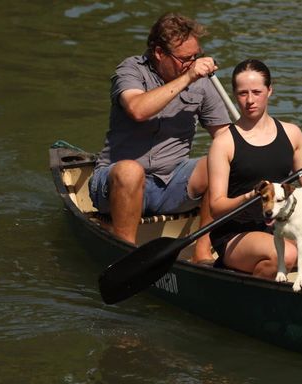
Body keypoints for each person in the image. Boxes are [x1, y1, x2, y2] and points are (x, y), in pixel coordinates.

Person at [89, 13, 231, 263]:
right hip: (117, 183)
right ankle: (126, 253)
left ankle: (202, 251)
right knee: (131, 171)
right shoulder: (131, 70)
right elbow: (137, 109)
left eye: (195, 57)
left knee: (218, 163)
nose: (192, 64)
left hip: (171, 183)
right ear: (158, 53)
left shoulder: (203, 83)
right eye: (185, 59)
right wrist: (187, 77)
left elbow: (225, 137)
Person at [207, 59, 302, 279]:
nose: (249, 100)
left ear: (270, 90)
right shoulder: (224, 143)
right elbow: (216, 207)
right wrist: (249, 196)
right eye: (242, 93)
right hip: (237, 232)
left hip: (282, 221)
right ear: (235, 94)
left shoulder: (292, 134)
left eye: (256, 92)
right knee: (286, 255)